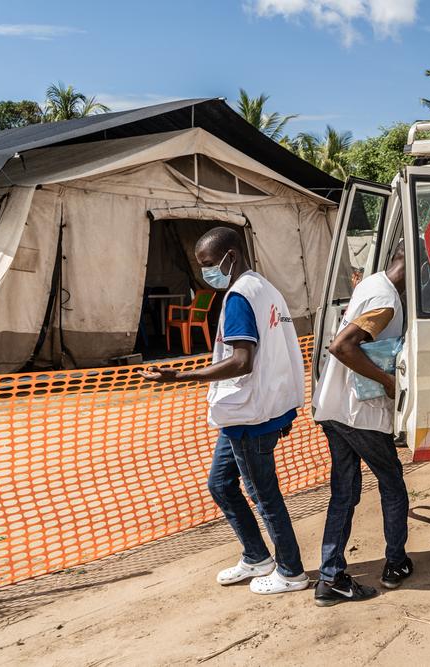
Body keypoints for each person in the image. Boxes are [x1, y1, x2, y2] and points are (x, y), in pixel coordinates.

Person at [139, 227, 308, 596]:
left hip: (250, 414)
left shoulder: (239, 297)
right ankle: (257, 557)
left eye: (209, 264)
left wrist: (179, 375)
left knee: (264, 495)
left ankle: (291, 572)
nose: (205, 273)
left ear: (231, 255)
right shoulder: (266, 288)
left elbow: (241, 361)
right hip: (255, 410)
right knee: (220, 484)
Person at [310, 242, 412, 607]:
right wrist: (388, 382)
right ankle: (396, 563)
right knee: (392, 482)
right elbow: (342, 346)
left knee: (344, 492)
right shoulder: (385, 301)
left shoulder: (372, 284)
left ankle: (331, 577)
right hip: (359, 414)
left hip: (334, 409)